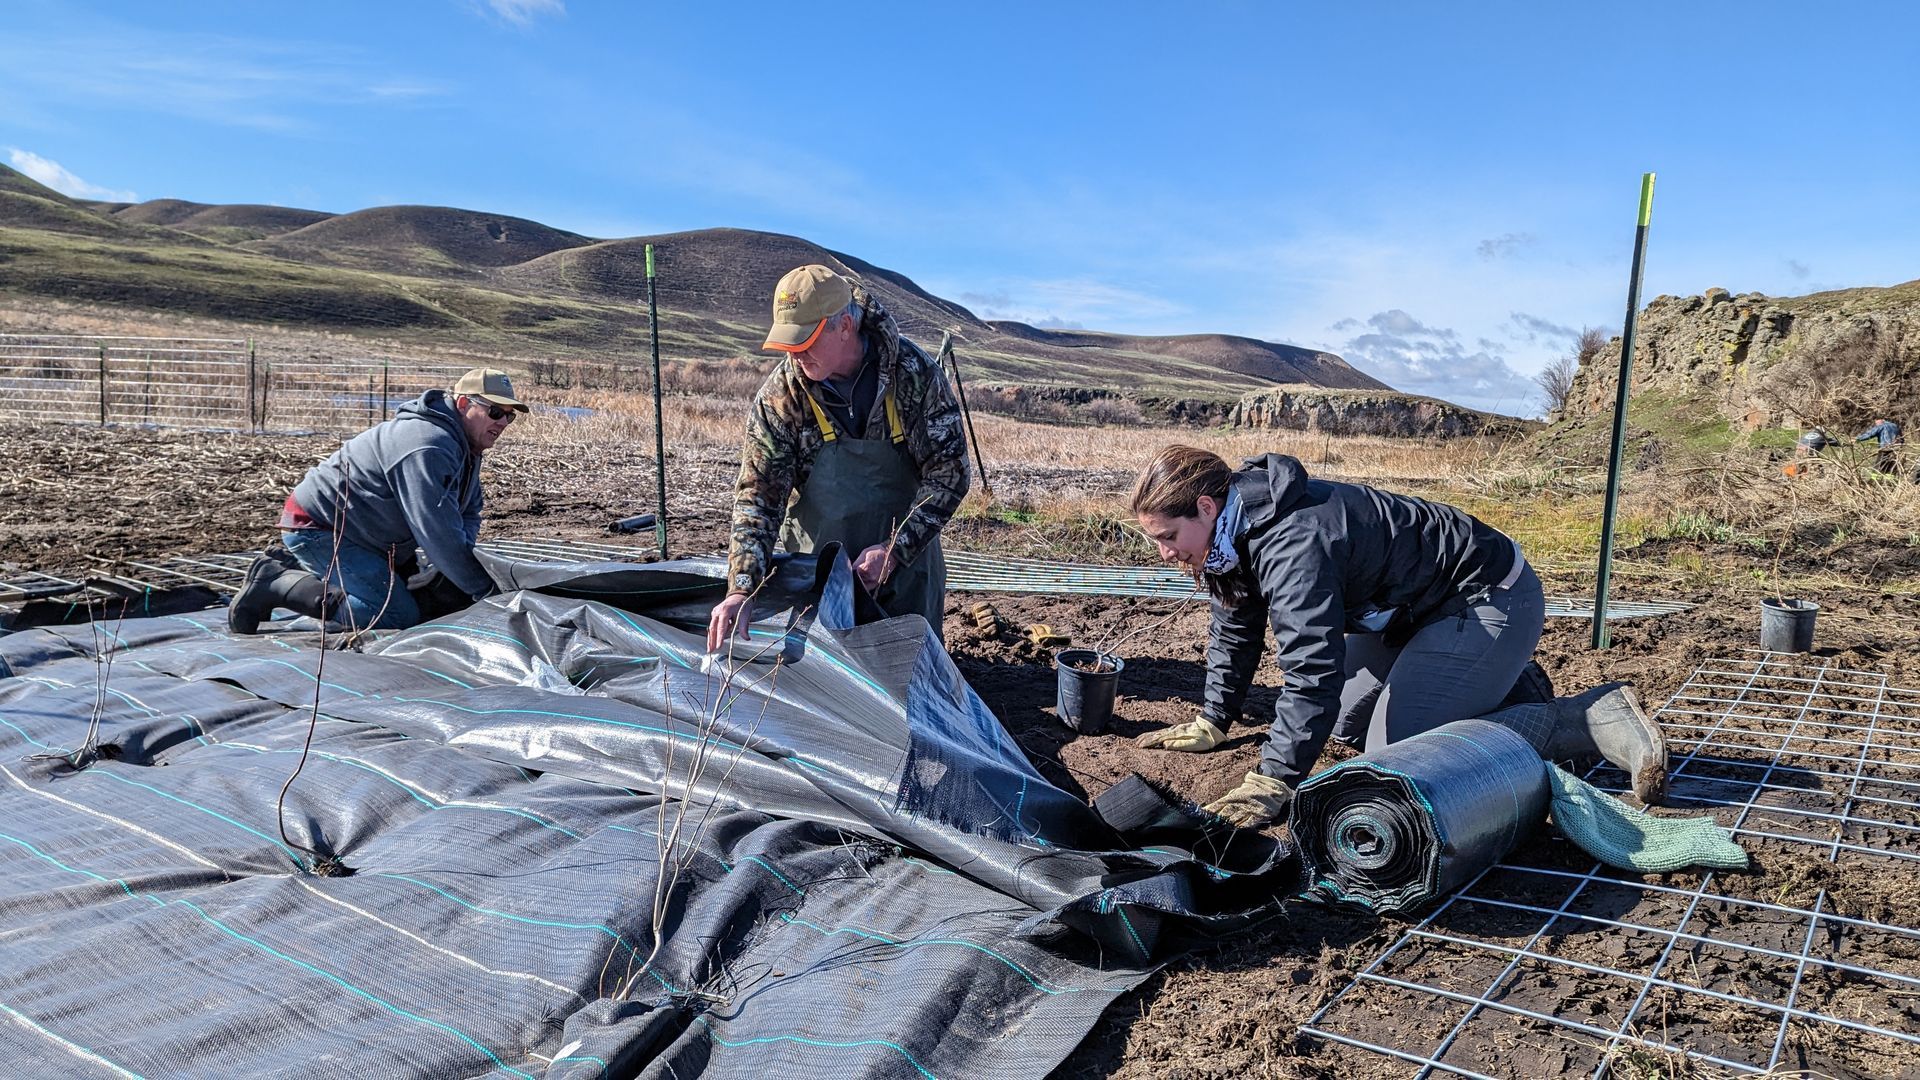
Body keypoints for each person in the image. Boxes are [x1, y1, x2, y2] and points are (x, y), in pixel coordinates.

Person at [1129, 445, 1664, 827]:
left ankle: (1587, 719)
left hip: (1484, 598)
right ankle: (1502, 682)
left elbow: (1310, 670)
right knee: (1343, 722)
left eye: (1170, 537)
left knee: (1399, 756)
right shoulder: (1231, 535)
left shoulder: (1293, 544)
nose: (1167, 554)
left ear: (1205, 506)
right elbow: (1235, 622)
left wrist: (1274, 779)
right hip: (1405, 611)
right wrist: (1214, 718)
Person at [707, 265, 970, 652]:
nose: (795, 356)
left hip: (907, 575)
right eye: (788, 345)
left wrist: (895, 550)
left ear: (844, 326)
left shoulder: (914, 377)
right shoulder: (782, 398)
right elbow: (758, 497)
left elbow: (950, 472)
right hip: (818, 577)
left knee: (907, 680)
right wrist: (741, 587)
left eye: (805, 341)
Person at [227, 367, 528, 634]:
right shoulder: (429, 446)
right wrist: (482, 589)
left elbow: (469, 512)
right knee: (397, 614)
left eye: (509, 415)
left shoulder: (465, 447)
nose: (502, 422)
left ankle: (310, 571)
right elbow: (434, 528)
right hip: (321, 528)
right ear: (464, 404)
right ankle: (275, 583)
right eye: (495, 412)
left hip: (368, 535)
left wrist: (459, 565)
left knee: (427, 596)